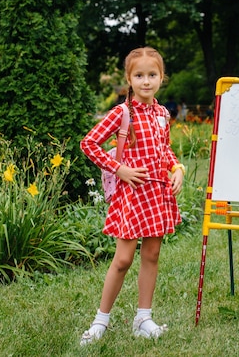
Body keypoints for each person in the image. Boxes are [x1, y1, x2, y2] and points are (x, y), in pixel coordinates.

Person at [79, 47, 185, 345]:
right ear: (129, 78)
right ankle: (100, 321)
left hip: (158, 193)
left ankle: (143, 318)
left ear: (162, 78)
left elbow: (165, 151)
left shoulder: (163, 113)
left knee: (151, 255)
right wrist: (120, 169)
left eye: (152, 75)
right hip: (132, 196)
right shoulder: (121, 113)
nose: (146, 81)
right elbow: (89, 144)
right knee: (123, 259)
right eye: (139, 75)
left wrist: (177, 169)